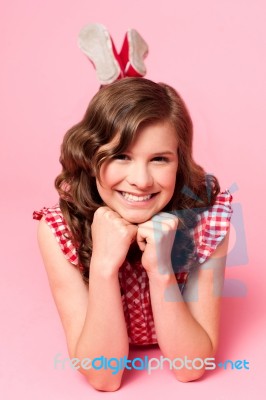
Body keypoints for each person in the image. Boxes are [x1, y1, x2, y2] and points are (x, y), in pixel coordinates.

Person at [33, 25, 233, 392]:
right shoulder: (59, 228)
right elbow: (104, 375)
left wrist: (160, 269)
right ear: (91, 157)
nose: (140, 180)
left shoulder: (206, 220)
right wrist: (104, 266)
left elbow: (191, 367)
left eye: (159, 158)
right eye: (121, 157)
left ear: (180, 162)